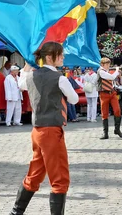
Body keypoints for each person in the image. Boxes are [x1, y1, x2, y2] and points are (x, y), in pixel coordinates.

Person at [9, 42, 78, 215]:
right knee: (60, 178)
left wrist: (27, 64)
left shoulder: (31, 76)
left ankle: (15, 212)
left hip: (37, 130)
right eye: (60, 55)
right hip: (52, 131)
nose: (62, 57)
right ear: (49, 57)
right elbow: (74, 99)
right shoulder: (60, 78)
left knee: (36, 173)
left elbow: (21, 84)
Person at [97, 57, 122, 139]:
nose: (108, 66)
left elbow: (115, 80)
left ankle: (117, 130)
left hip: (112, 92)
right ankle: (105, 133)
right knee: (104, 113)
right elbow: (112, 77)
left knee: (117, 110)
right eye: (106, 64)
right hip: (104, 93)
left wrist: (119, 74)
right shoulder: (101, 71)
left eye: (109, 64)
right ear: (102, 64)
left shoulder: (109, 71)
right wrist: (116, 70)